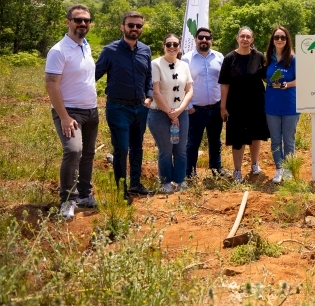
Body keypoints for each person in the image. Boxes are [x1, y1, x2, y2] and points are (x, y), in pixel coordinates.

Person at [45, 4, 100, 219]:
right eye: (78, 20)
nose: (83, 24)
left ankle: (85, 195)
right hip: (70, 112)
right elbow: (51, 85)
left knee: (87, 154)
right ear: (68, 22)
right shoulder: (58, 50)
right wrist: (65, 117)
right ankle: (67, 200)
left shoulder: (85, 46)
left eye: (86, 20)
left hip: (91, 111)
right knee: (74, 151)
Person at [95, 11, 153, 203]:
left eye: (138, 26)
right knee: (121, 148)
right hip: (118, 108)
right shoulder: (109, 51)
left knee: (137, 147)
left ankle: (136, 184)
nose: (134, 29)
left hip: (140, 108)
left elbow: (149, 77)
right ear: (123, 27)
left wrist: (149, 96)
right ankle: (121, 189)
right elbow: (94, 75)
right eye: (131, 25)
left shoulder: (145, 50)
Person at [218, 26, 269, 183]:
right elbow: (225, 84)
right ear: (237, 38)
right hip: (236, 105)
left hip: (256, 103)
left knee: (255, 135)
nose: (245, 39)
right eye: (242, 36)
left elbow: (267, 79)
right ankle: (237, 171)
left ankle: (254, 164)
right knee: (237, 138)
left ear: (252, 40)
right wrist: (223, 106)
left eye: (248, 37)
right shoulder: (229, 59)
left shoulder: (259, 57)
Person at [148, 34, 194, 193]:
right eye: (169, 44)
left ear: (179, 47)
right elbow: (156, 92)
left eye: (175, 44)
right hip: (160, 114)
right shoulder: (156, 64)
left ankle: (180, 180)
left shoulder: (184, 65)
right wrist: (170, 113)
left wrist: (179, 111)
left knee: (181, 149)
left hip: (181, 113)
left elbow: (189, 90)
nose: (172, 47)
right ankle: (165, 182)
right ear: (164, 46)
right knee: (166, 149)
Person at [183, 27, 228, 178]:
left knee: (215, 141)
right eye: (201, 37)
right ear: (195, 39)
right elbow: (183, 84)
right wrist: (188, 107)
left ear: (211, 40)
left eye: (207, 38)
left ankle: (216, 168)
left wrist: (223, 105)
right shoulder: (186, 59)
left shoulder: (219, 57)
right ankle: (189, 171)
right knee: (192, 143)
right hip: (195, 109)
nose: (204, 40)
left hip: (215, 108)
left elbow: (224, 82)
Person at [264, 25, 299, 184]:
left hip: (291, 105)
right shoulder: (268, 58)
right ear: (273, 40)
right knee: (276, 140)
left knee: (289, 140)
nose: (279, 40)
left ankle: (288, 169)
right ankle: (279, 168)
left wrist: (289, 84)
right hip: (271, 105)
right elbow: (265, 77)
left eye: (282, 37)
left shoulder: (293, 59)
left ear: (287, 40)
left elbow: (302, 79)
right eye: (276, 37)